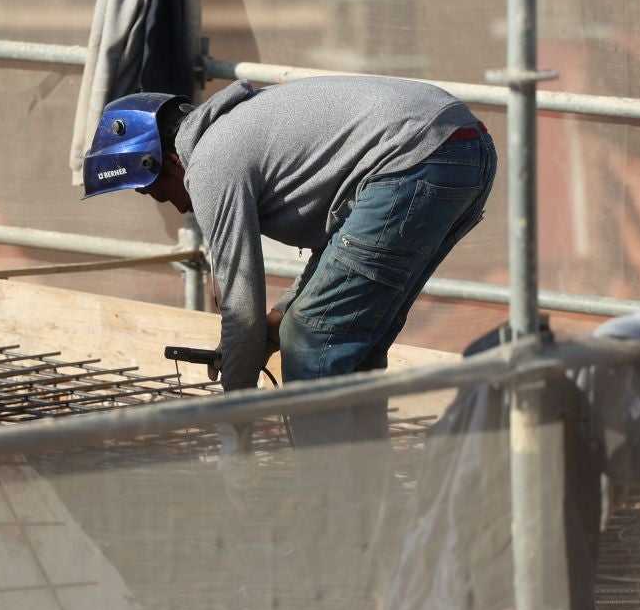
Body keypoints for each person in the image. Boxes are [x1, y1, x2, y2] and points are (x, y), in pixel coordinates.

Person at [80, 75, 496, 443]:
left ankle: (328, 513)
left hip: (417, 158)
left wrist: (234, 425)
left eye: (155, 190)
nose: (173, 205)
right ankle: (371, 507)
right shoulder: (242, 132)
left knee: (312, 344)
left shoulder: (208, 163)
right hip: (461, 148)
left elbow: (240, 308)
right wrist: (279, 318)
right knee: (355, 344)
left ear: (171, 160)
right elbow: (342, 245)